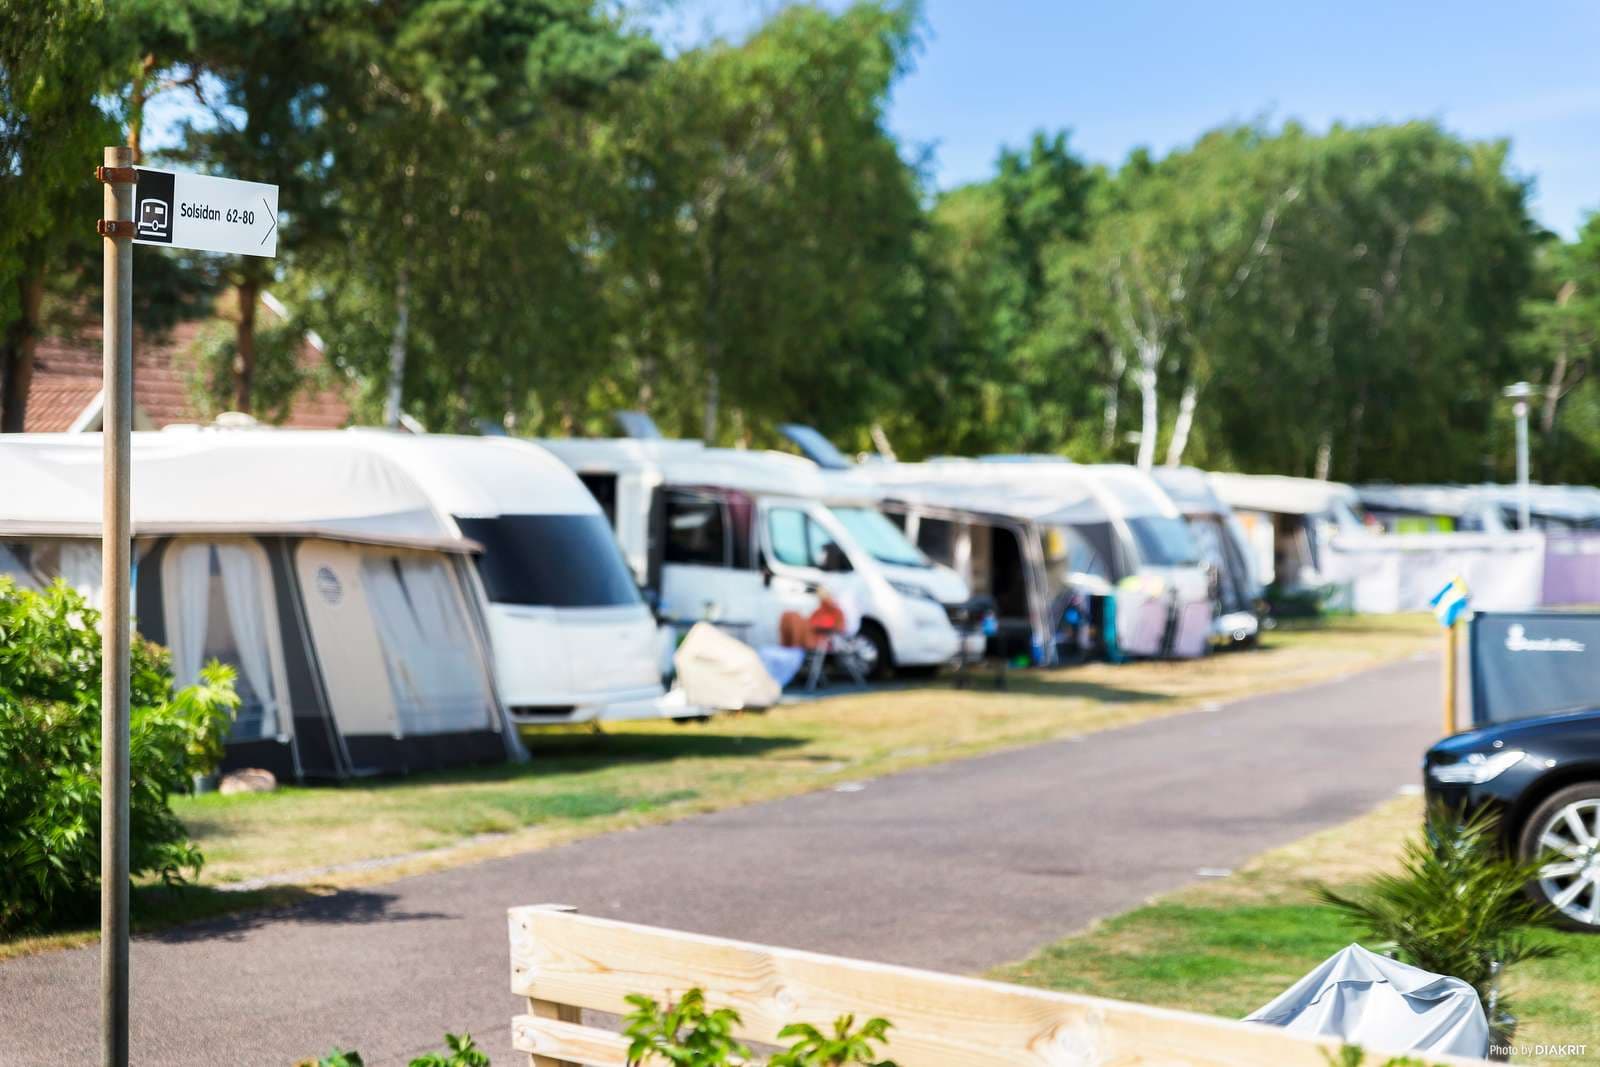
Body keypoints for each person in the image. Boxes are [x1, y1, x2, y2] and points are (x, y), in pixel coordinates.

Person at [779, 588, 845, 651]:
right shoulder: (819, 611)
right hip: (809, 632)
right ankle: (788, 648)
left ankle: (793, 648)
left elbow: (839, 627)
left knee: (794, 618)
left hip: (817, 637)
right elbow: (810, 620)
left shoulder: (837, 612)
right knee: (789, 615)